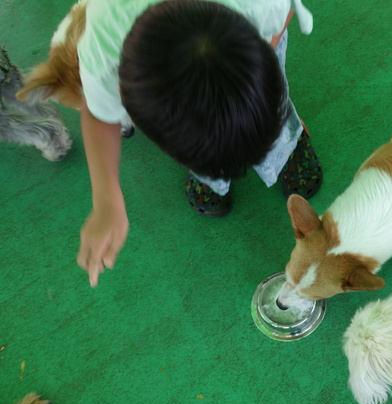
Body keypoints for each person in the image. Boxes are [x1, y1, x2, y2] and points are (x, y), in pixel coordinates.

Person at [75, 0, 321, 287]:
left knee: (270, 112)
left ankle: (286, 143)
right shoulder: (103, 40)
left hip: (258, 32)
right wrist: (106, 198)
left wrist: (265, 53)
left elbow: (283, 14)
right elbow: (97, 113)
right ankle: (210, 173)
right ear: (124, 96)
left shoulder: (262, 4)